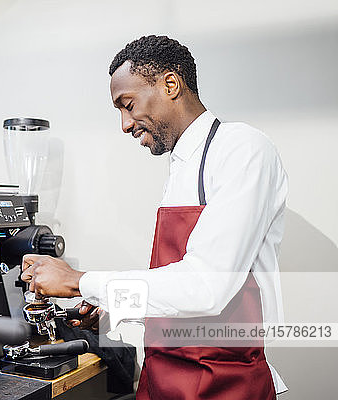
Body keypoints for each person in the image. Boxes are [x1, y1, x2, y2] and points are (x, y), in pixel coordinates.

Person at [21, 35, 288, 399]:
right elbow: (175, 285)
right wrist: (111, 309)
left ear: (171, 84)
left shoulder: (242, 149)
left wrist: (78, 281)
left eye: (127, 105)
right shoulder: (180, 167)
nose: (125, 124)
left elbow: (206, 287)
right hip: (165, 378)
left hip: (224, 383)